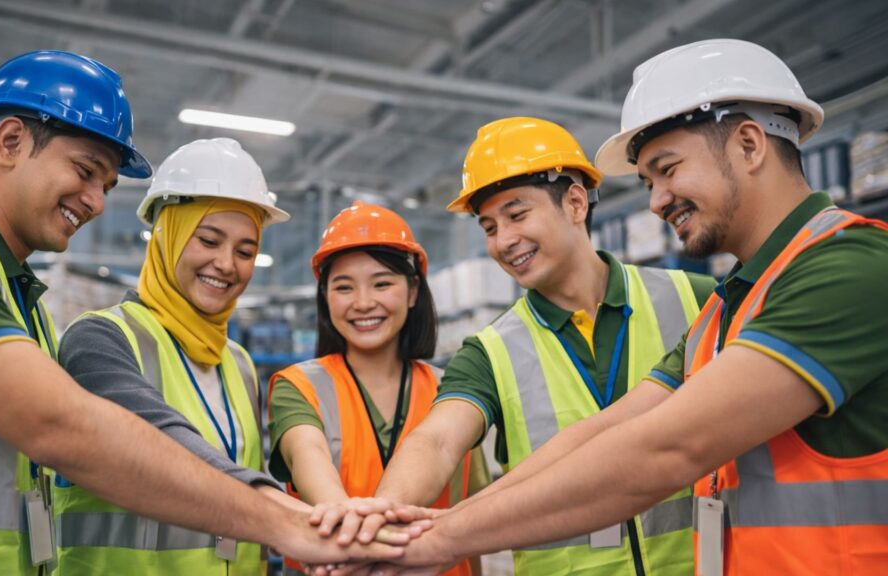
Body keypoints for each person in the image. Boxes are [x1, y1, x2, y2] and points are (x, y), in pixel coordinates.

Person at [0, 51, 408, 574]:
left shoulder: (20, 299)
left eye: (105, 185)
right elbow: (60, 427)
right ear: (9, 141)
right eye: (85, 171)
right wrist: (291, 524)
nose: (97, 202)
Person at [374, 38, 888, 576]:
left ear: (749, 144)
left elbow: (668, 448)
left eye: (668, 169)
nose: (656, 201)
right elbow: (602, 432)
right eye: (648, 181)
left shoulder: (847, 266)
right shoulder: (724, 310)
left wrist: (436, 541)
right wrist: (420, 529)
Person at [363, 117, 716, 575]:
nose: (504, 241)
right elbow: (437, 441)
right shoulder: (489, 352)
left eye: (517, 215)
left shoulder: (697, 299)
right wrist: (381, 520)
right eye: (489, 227)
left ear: (575, 202)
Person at [53, 138, 298, 574]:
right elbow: (163, 444)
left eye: (245, 251)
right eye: (208, 240)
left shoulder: (239, 364)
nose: (227, 264)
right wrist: (294, 519)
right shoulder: (101, 340)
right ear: (168, 236)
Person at [268, 202, 490, 575]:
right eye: (344, 287)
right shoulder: (298, 386)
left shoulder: (454, 393)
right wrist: (358, 537)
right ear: (325, 297)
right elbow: (311, 460)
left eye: (382, 283)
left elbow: (470, 514)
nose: (364, 303)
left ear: (413, 291)